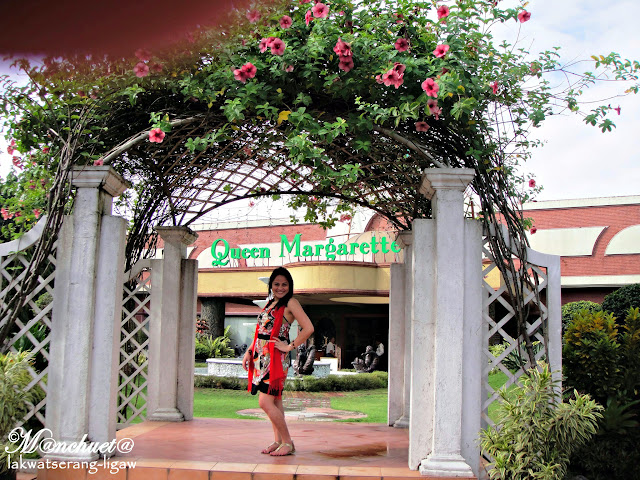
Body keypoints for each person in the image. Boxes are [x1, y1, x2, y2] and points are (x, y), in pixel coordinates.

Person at [242, 267, 314, 457]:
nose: (280, 288)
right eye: (276, 284)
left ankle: (288, 442)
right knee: (275, 400)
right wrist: (249, 352)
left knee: (265, 402)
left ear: (290, 286)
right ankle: (278, 441)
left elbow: (308, 328)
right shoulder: (270, 303)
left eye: (284, 284)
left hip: (275, 359)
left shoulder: (291, 303)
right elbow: (261, 331)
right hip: (261, 357)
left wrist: (289, 346)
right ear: (271, 286)